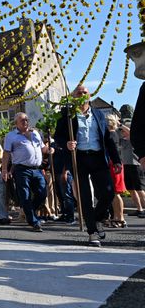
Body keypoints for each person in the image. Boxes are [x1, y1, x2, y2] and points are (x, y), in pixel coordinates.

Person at [55, 85, 122, 247]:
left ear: (89, 96)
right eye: (79, 92)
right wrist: (66, 144)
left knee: (108, 193)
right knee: (85, 196)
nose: (82, 94)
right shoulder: (67, 115)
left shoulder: (98, 114)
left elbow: (107, 139)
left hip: (98, 157)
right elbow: (58, 137)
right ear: (73, 97)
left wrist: (117, 160)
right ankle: (92, 232)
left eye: (85, 92)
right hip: (79, 159)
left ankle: (97, 218)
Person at [2, 113, 52, 232]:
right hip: (21, 169)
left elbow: (42, 148)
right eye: (22, 120)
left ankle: (28, 211)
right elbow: (6, 154)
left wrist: (49, 149)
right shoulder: (11, 136)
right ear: (16, 123)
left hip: (37, 169)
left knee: (42, 193)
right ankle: (33, 221)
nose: (25, 121)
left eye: (27, 119)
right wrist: (4, 170)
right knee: (25, 196)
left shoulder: (35, 134)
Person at [106, 114, 127, 228]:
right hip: (116, 164)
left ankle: (119, 218)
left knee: (115, 193)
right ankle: (118, 217)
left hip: (113, 165)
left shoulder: (111, 134)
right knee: (115, 193)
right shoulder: (116, 134)